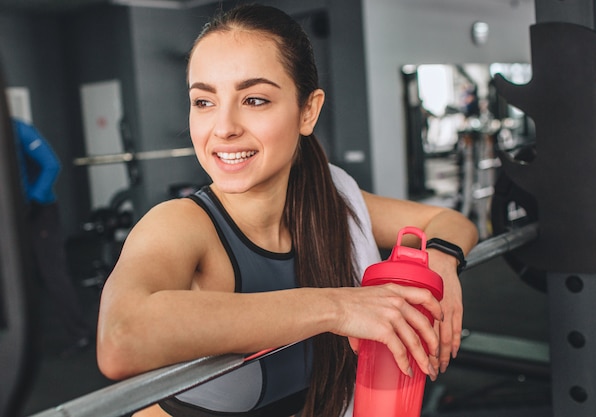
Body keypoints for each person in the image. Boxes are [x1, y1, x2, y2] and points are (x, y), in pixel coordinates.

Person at [96, 4, 478, 417]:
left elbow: (448, 221)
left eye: (254, 99)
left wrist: (441, 259)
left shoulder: (331, 199)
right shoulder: (179, 224)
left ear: (307, 111)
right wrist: (339, 307)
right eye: (203, 102)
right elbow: (120, 338)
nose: (223, 127)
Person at [13, 117, 92, 357]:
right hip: (11, 215)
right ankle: (23, 341)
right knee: (14, 279)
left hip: (39, 212)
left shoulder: (18, 129)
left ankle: (79, 335)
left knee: (52, 273)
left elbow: (51, 165)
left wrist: (34, 200)